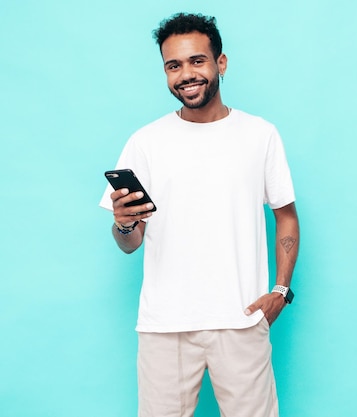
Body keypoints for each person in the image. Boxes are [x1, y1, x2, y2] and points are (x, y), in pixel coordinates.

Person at [99, 12, 299, 417]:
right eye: (173, 65)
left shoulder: (260, 135)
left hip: (241, 320)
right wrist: (123, 222)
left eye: (197, 61)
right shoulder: (145, 142)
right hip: (164, 325)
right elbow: (128, 244)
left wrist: (280, 291)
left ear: (220, 63)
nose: (186, 74)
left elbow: (287, 217)